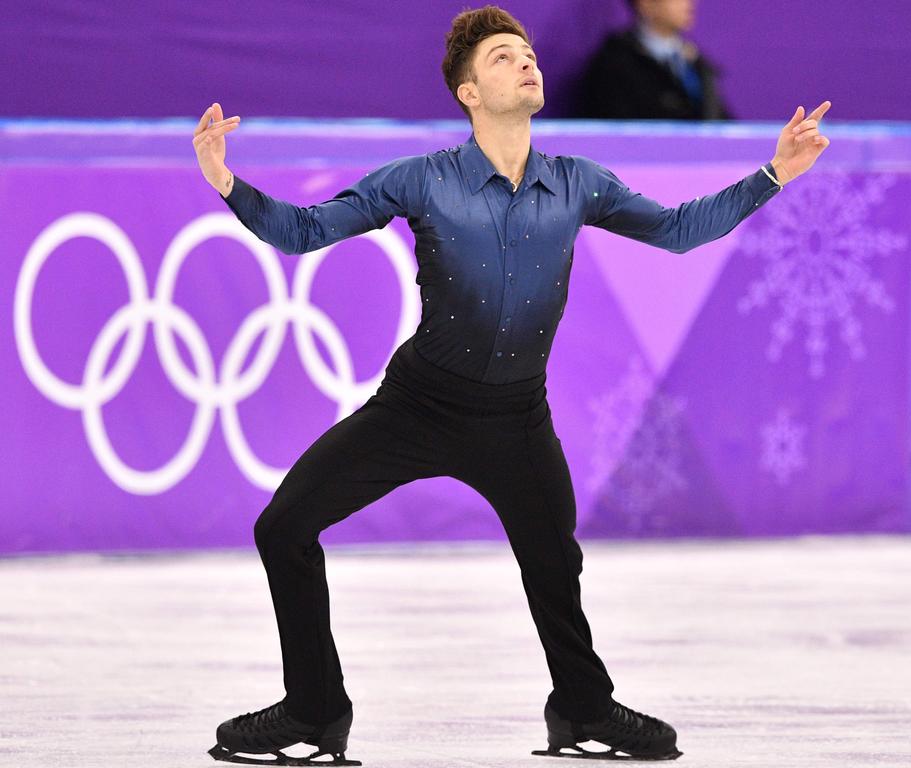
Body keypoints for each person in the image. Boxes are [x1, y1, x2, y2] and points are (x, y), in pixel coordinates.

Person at [193, 4, 830, 765]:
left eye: (526, 52)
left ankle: (583, 708)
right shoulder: (422, 181)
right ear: (467, 91)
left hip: (515, 418)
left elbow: (678, 231)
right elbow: (304, 232)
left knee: (555, 561)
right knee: (283, 527)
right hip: (418, 405)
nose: (525, 62)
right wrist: (227, 181)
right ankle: (314, 707)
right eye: (501, 56)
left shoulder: (576, 184)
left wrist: (772, 175)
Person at [578, 0, 732, 120]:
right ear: (645, 3)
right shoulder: (614, 66)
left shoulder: (698, 65)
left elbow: (722, 125)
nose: (688, 3)